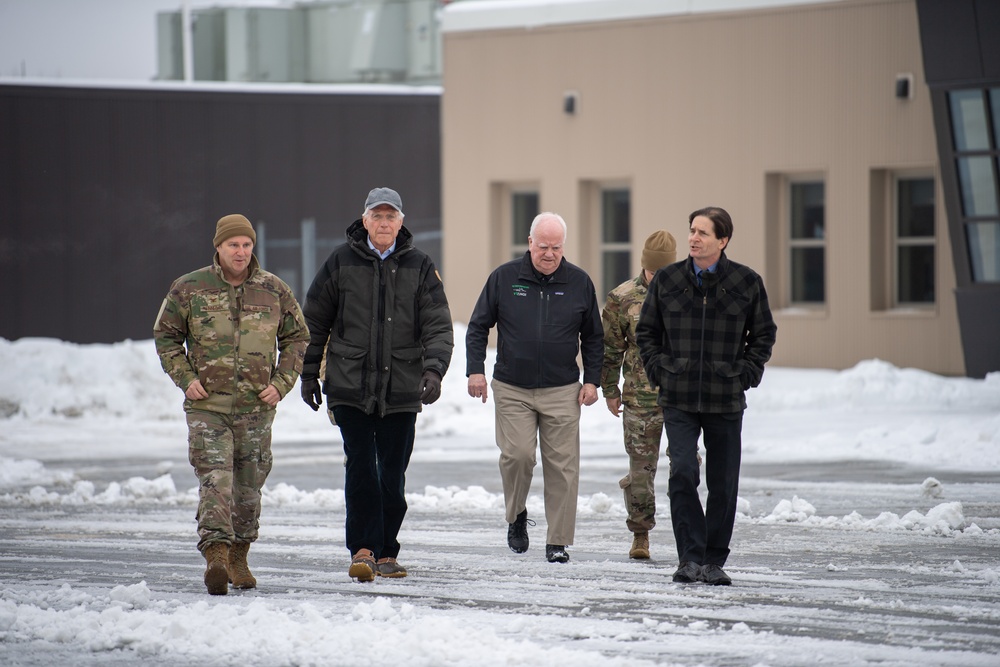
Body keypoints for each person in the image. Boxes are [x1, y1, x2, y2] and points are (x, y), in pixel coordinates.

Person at [299, 187, 453, 583]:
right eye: (377, 216)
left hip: (401, 388)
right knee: (362, 469)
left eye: (391, 216)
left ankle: (388, 551)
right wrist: (308, 373)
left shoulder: (420, 265)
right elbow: (314, 322)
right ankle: (364, 551)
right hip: (350, 384)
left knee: (393, 475)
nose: (384, 223)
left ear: (401, 222)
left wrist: (434, 370)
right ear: (364, 220)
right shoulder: (340, 262)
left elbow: (437, 324)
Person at [153, 213, 309, 595]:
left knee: (248, 487)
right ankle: (217, 557)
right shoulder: (189, 288)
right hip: (209, 408)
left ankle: (240, 555)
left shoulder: (273, 289)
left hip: (257, 408)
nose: (240, 252)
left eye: (246, 245)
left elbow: (297, 339)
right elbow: (166, 337)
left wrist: (281, 383)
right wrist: (186, 379)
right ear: (218, 247)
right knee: (216, 481)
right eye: (233, 245)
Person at [636, 206, 776, 585]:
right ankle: (689, 558)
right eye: (692, 231)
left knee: (723, 481)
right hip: (678, 396)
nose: (694, 238)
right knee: (682, 472)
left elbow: (763, 334)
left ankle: (714, 560)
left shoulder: (746, 282)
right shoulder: (667, 280)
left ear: (723, 240)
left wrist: (746, 373)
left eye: (702, 233)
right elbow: (646, 333)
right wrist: (659, 370)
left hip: (725, 397)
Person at [466, 212, 603, 564]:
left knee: (563, 466)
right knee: (518, 456)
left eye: (556, 247)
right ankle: (516, 516)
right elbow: (478, 326)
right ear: (529, 243)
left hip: (562, 389)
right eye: (543, 246)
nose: (549, 253)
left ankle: (557, 540)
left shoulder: (579, 282)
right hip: (513, 387)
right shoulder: (504, 278)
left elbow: (593, 337)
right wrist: (475, 371)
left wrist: (592, 380)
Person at [600, 230, 677, 561]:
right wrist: (609, 389)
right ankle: (640, 535)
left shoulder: (687, 294)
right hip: (639, 400)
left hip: (681, 399)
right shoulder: (622, 297)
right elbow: (611, 348)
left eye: (662, 271)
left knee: (686, 468)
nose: (656, 276)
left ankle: (691, 535)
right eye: (651, 270)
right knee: (642, 473)